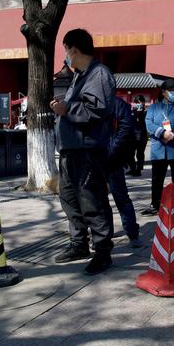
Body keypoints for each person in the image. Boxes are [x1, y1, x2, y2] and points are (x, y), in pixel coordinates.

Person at [50, 28, 116, 275]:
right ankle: (78, 244)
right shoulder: (80, 76)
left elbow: (97, 110)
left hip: (88, 151)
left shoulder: (99, 74)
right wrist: (62, 106)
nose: (65, 55)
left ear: (74, 49)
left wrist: (67, 109)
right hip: (70, 150)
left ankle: (102, 251)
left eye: (66, 50)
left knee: (92, 200)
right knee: (69, 199)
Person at [142, 78, 174, 216]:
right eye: (172, 91)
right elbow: (148, 123)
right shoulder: (154, 108)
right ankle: (155, 204)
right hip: (159, 150)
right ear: (163, 92)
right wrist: (162, 133)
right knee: (157, 179)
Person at [108, 97, 142, 248]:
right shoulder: (91, 101)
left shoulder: (119, 105)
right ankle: (104, 233)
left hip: (113, 158)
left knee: (121, 196)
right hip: (94, 157)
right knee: (99, 200)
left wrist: (113, 150)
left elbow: (126, 129)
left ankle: (132, 232)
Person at [127, 95, 148, 177]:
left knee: (140, 153)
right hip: (132, 136)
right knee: (129, 153)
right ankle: (132, 169)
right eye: (137, 102)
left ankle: (139, 169)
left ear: (143, 103)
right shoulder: (131, 112)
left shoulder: (146, 112)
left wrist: (141, 112)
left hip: (142, 136)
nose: (139, 104)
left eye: (140, 102)